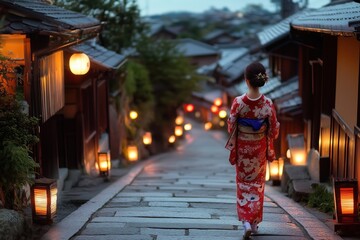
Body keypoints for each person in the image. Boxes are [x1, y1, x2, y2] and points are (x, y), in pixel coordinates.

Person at [226, 62, 280, 239]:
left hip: (243, 149)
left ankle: (246, 222)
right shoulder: (267, 103)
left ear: (246, 80)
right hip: (259, 151)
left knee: (243, 185)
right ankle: (254, 223)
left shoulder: (238, 102)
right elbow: (273, 130)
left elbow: (231, 125)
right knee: (257, 186)